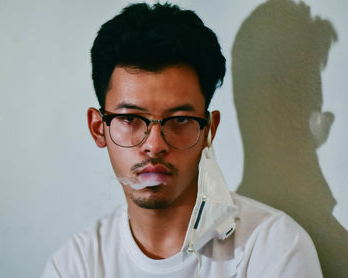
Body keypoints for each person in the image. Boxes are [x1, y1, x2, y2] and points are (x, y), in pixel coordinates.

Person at [41, 3, 322, 277]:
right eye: (130, 119)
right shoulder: (75, 266)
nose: (154, 145)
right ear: (98, 129)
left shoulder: (272, 248)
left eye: (179, 120)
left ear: (209, 131)